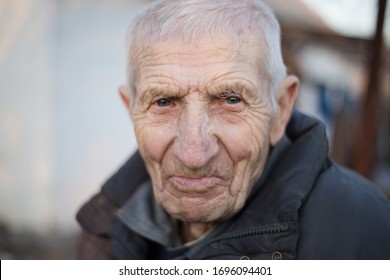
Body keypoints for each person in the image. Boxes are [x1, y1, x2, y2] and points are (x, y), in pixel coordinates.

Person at [76, 0, 390, 260]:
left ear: (281, 109)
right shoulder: (103, 233)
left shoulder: (366, 232)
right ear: (130, 109)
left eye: (230, 99)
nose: (194, 154)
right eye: (163, 101)